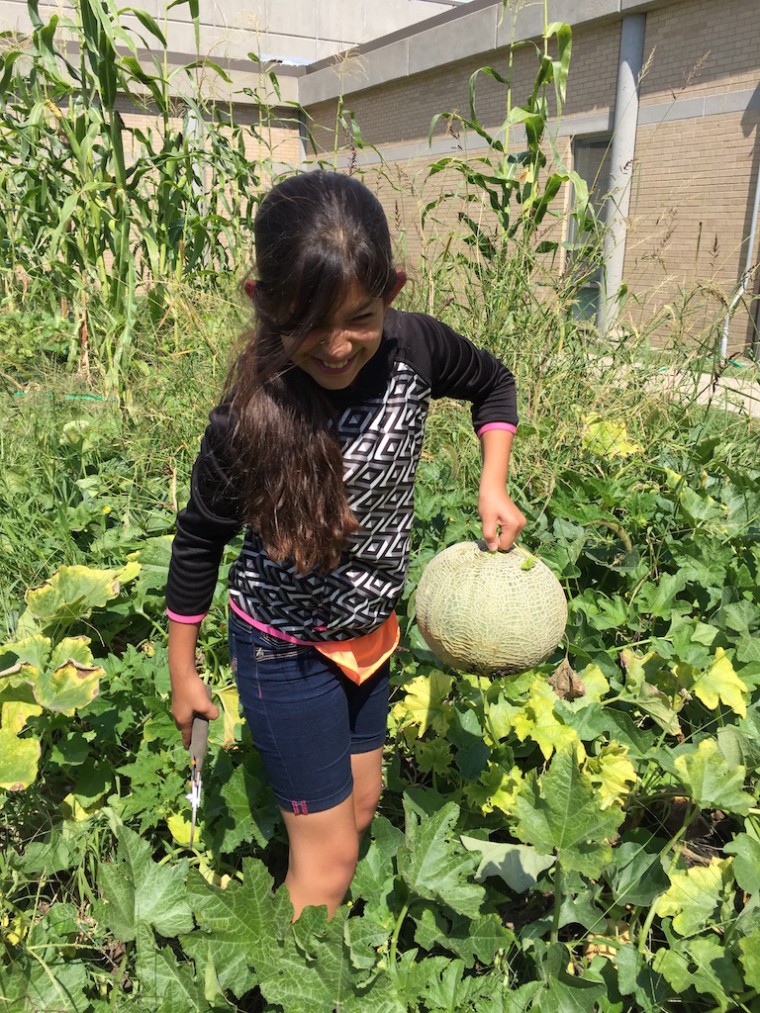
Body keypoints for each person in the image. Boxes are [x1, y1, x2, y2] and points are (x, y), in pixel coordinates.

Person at [166, 170, 525, 919]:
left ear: (391, 289)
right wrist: (182, 671)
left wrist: (494, 483)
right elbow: (200, 537)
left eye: (359, 317)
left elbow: (494, 383)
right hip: (283, 651)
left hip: (371, 636)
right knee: (328, 862)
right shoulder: (248, 416)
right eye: (308, 323)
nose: (336, 345)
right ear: (264, 303)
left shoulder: (415, 348)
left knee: (360, 811)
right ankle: (296, 982)